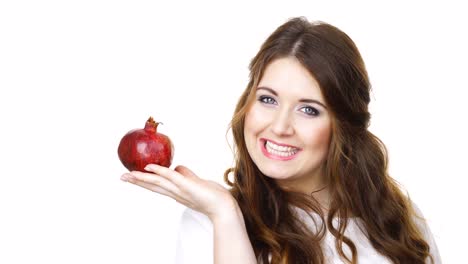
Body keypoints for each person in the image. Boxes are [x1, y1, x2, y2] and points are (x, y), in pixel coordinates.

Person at [120, 17, 442, 264]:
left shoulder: (396, 218)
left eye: (308, 109)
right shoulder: (210, 223)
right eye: (268, 100)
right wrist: (226, 214)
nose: (280, 126)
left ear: (343, 124)